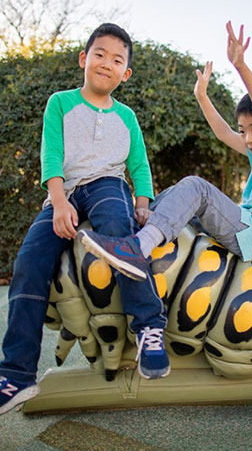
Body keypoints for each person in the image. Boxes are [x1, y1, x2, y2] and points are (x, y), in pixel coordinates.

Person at [0, 23, 169, 416]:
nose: (106, 64)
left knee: (117, 228)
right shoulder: (60, 102)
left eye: (117, 60)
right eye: (100, 54)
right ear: (84, 59)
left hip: (108, 184)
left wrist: (142, 202)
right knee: (28, 263)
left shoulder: (126, 117)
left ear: (125, 74)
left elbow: (139, 166)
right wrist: (58, 204)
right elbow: (51, 156)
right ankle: (17, 374)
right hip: (64, 192)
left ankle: (148, 327)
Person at [77, 21, 252, 285]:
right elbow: (223, 133)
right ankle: (129, 234)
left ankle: (137, 248)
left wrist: (240, 65)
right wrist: (202, 97)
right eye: (244, 130)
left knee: (197, 188)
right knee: (175, 196)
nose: (248, 138)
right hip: (244, 227)